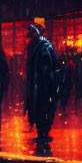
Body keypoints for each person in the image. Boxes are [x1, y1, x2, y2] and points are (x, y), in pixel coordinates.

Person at [25, 24, 60, 152]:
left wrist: (47, 84)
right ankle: (42, 132)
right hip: (39, 86)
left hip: (42, 87)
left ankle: (43, 133)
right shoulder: (37, 47)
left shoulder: (43, 46)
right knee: (40, 109)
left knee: (42, 109)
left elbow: (49, 69)